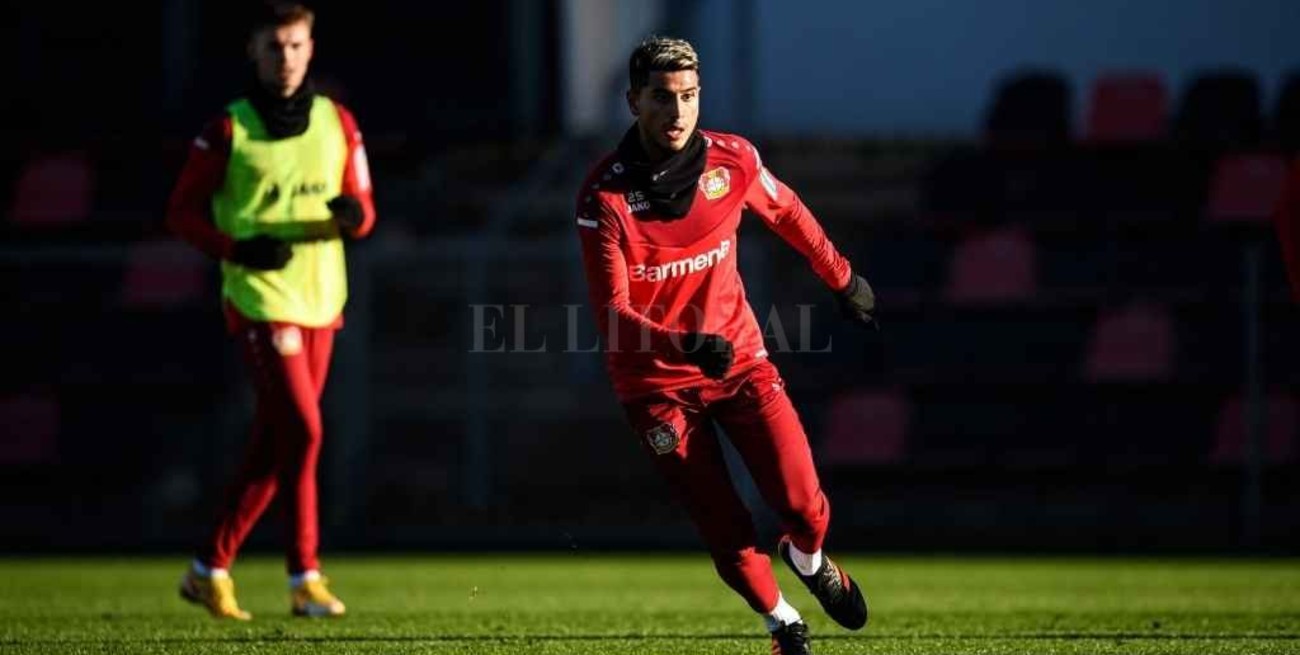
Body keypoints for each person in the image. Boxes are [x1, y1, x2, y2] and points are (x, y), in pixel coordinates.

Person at [574, 36, 874, 654]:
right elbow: (613, 315)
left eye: (688, 96)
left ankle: (810, 561)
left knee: (805, 505)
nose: (678, 111)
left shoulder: (731, 161)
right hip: (655, 385)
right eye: (661, 97)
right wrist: (684, 345)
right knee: (726, 527)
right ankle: (782, 623)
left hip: (738, 363)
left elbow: (787, 211)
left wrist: (843, 278)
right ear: (633, 101)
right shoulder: (604, 198)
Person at [165, 1, 375, 620]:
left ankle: (209, 566)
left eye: (295, 46)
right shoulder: (228, 129)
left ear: (311, 49)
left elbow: (364, 208)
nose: (286, 58)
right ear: (253, 54)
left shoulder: (337, 121)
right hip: (261, 298)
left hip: (321, 295)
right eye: (273, 48)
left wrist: (353, 217)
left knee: (279, 439)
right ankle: (304, 575)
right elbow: (180, 213)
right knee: (304, 431)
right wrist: (237, 249)